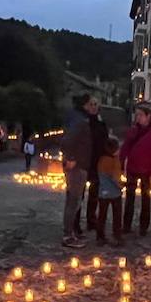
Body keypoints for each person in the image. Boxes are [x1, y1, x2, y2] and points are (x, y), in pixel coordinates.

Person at [120, 106, 151, 237]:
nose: (137, 117)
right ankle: (126, 225)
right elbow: (125, 148)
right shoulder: (132, 131)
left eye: (140, 115)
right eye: (136, 115)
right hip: (132, 168)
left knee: (146, 199)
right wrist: (121, 164)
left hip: (146, 170)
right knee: (129, 198)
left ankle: (143, 226)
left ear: (148, 117)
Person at [59, 96, 96, 248]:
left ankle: (70, 233)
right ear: (84, 105)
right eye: (90, 104)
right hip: (77, 167)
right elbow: (67, 141)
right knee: (73, 201)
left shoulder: (77, 118)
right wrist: (72, 158)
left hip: (79, 165)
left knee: (74, 200)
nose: (92, 107)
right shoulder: (80, 121)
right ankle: (68, 235)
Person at [83, 100, 109, 232]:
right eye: (91, 104)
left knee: (94, 194)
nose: (93, 107)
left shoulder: (101, 124)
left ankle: (91, 220)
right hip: (84, 161)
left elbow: (105, 141)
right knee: (79, 194)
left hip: (97, 162)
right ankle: (75, 223)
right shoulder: (83, 123)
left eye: (95, 104)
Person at [94, 136, 125, 245]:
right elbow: (115, 177)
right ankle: (117, 235)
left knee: (102, 215)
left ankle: (100, 236)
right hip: (115, 193)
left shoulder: (101, 160)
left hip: (103, 192)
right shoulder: (113, 162)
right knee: (117, 215)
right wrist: (122, 185)